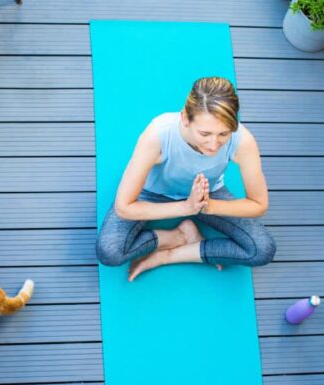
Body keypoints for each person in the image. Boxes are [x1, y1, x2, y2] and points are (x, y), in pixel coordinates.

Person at [96, 77, 276, 282]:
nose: (213, 145)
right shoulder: (158, 134)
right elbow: (124, 207)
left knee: (262, 250)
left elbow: (259, 204)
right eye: (205, 133)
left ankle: (169, 255)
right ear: (185, 119)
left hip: (207, 196)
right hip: (154, 193)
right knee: (109, 252)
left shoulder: (243, 140)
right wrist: (187, 207)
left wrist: (207, 205)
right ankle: (177, 236)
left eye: (223, 134)